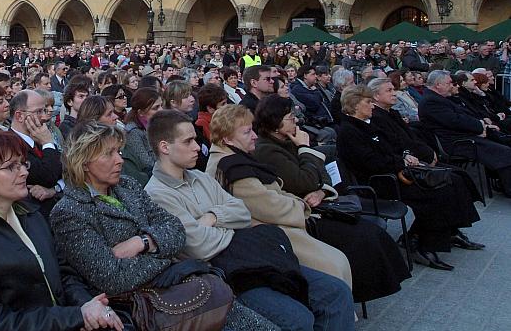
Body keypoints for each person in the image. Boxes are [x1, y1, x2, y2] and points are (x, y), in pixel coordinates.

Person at [144, 109, 354, 331]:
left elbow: (242, 212)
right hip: (225, 274)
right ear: (165, 147)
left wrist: (213, 217)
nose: (197, 147)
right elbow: (197, 246)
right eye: (188, 142)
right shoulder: (156, 194)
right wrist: (228, 224)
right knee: (299, 319)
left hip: (252, 258)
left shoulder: (200, 177)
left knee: (336, 292)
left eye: (196, 139)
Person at [50, 122, 269, 330]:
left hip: (181, 287)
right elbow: (113, 279)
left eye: (119, 151)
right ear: (84, 161)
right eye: (109, 154)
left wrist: (143, 242)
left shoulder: (128, 186)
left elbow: (176, 228)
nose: (120, 160)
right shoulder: (70, 211)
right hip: (149, 309)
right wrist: (164, 253)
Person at [0, 131, 124, 331]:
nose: (24, 172)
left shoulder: (30, 214)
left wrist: (88, 306)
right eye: (11, 166)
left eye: (23, 164)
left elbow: (63, 274)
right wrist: (76, 316)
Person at [252, 95, 410, 302]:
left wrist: (322, 191)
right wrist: (305, 149)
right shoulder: (268, 150)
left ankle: (364, 288)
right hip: (303, 214)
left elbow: (324, 174)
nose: (296, 121)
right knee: (362, 237)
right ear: (275, 123)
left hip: (320, 202)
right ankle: (354, 293)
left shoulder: (289, 141)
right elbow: (305, 181)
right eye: (291, 118)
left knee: (370, 231)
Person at [206, 104, 353, 287]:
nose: (254, 136)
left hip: (284, 221)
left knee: (343, 254)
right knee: (334, 265)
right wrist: (301, 205)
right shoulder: (232, 167)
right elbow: (271, 207)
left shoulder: (234, 158)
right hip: (271, 231)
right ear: (227, 138)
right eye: (247, 132)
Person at [337, 85, 482, 270]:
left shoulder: (368, 124)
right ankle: (421, 244)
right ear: (355, 105)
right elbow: (371, 162)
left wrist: (404, 156)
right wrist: (401, 162)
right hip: (380, 182)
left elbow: (391, 147)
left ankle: (437, 233)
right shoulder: (349, 132)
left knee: (447, 182)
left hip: (393, 173)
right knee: (436, 193)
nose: (372, 106)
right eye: (368, 102)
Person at [418, 70, 511, 197]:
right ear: (438, 84)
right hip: (457, 142)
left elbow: (463, 114)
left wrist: (481, 125)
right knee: (504, 152)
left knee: (503, 142)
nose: (452, 85)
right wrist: (480, 127)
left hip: (464, 135)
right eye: (449, 82)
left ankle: (501, 182)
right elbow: (455, 121)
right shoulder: (431, 101)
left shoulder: (440, 98)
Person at [8, 90, 63, 215]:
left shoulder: (39, 138)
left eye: (44, 110)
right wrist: (48, 143)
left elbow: (67, 170)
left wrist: (54, 189)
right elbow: (48, 177)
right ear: (19, 116)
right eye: (38, 112)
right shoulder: (9, 145)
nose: (44, 117)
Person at [120, 88, 162, 186]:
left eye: (161, 106)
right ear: (141, 112)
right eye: (156, 108)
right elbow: (146, 163)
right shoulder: (133, 132)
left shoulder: (155, 125)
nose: (161, 110)